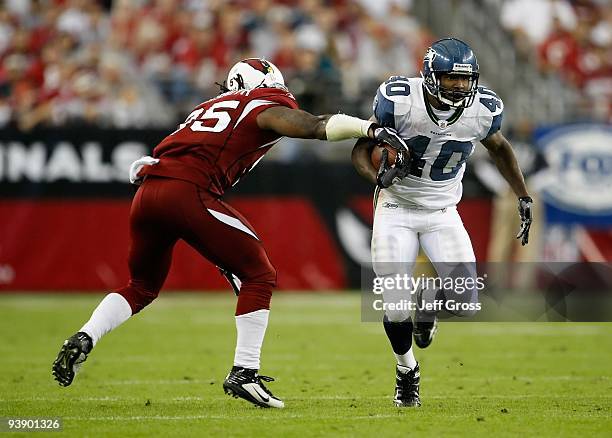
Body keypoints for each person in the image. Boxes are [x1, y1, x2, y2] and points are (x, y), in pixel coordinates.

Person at [51, 58, 408, 409]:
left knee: (141, 286)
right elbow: (314, 126)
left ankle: (86, 335)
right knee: (260, 275)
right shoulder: (259, 103)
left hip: (148, 193)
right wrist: (369, 129)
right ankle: (244, 372)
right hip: (187, 192)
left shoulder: (207, 107)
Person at [351, 38, 533, 407]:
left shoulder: (482, 109)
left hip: (442, 212)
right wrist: (376, 178)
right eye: (451, 80)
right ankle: (407, 373)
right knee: (395, 305)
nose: (460, 88)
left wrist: (522, 194)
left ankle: (427, 307)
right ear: (432, 76)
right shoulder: (400, 100)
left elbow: (500, 148)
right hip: (396, 208)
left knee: (466, 300)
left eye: (466, 81)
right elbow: (359, 149)